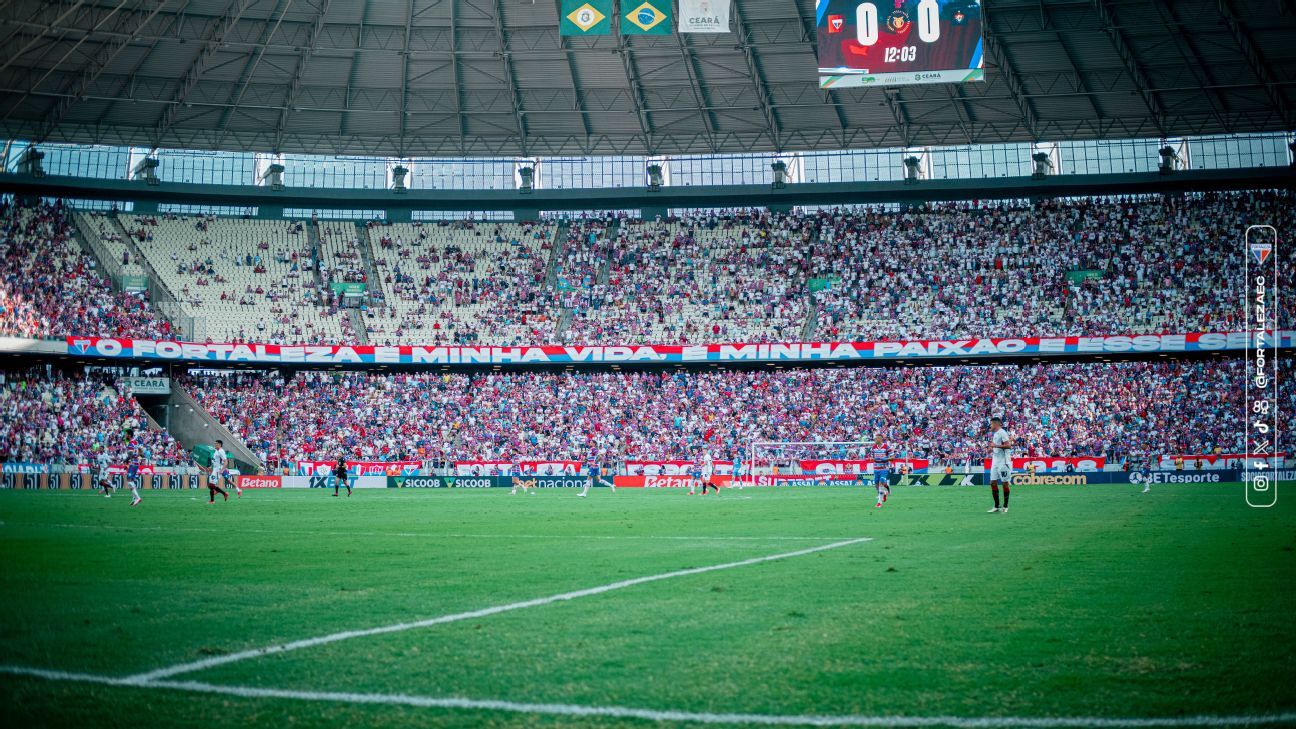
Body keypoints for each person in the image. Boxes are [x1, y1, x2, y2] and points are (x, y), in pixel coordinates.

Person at [988, 416, 1013, 513]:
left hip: (1004, 462)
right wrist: (993, 448)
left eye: (991, 424)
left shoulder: (1002, 433)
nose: (990, 425)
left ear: (995, 424)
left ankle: (1005, 506)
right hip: (995, 461)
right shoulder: (995, 434)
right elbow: (997, 447)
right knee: (993, 482)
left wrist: (996, 446)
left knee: (1004, 483)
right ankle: (996, 506)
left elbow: (1008, 445)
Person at [871, 434, 892, 508]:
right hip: (876, 469)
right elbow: (872, 457)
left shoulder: (887, 447)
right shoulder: (873, 447)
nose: (875, 440)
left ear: (880, 439)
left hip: (884, 468)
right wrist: (871, 459)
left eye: (876, 439)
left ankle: (879, 502)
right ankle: (885, 492)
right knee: (876, 485)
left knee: (881, 484)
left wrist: (885, 459)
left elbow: (892, 457)